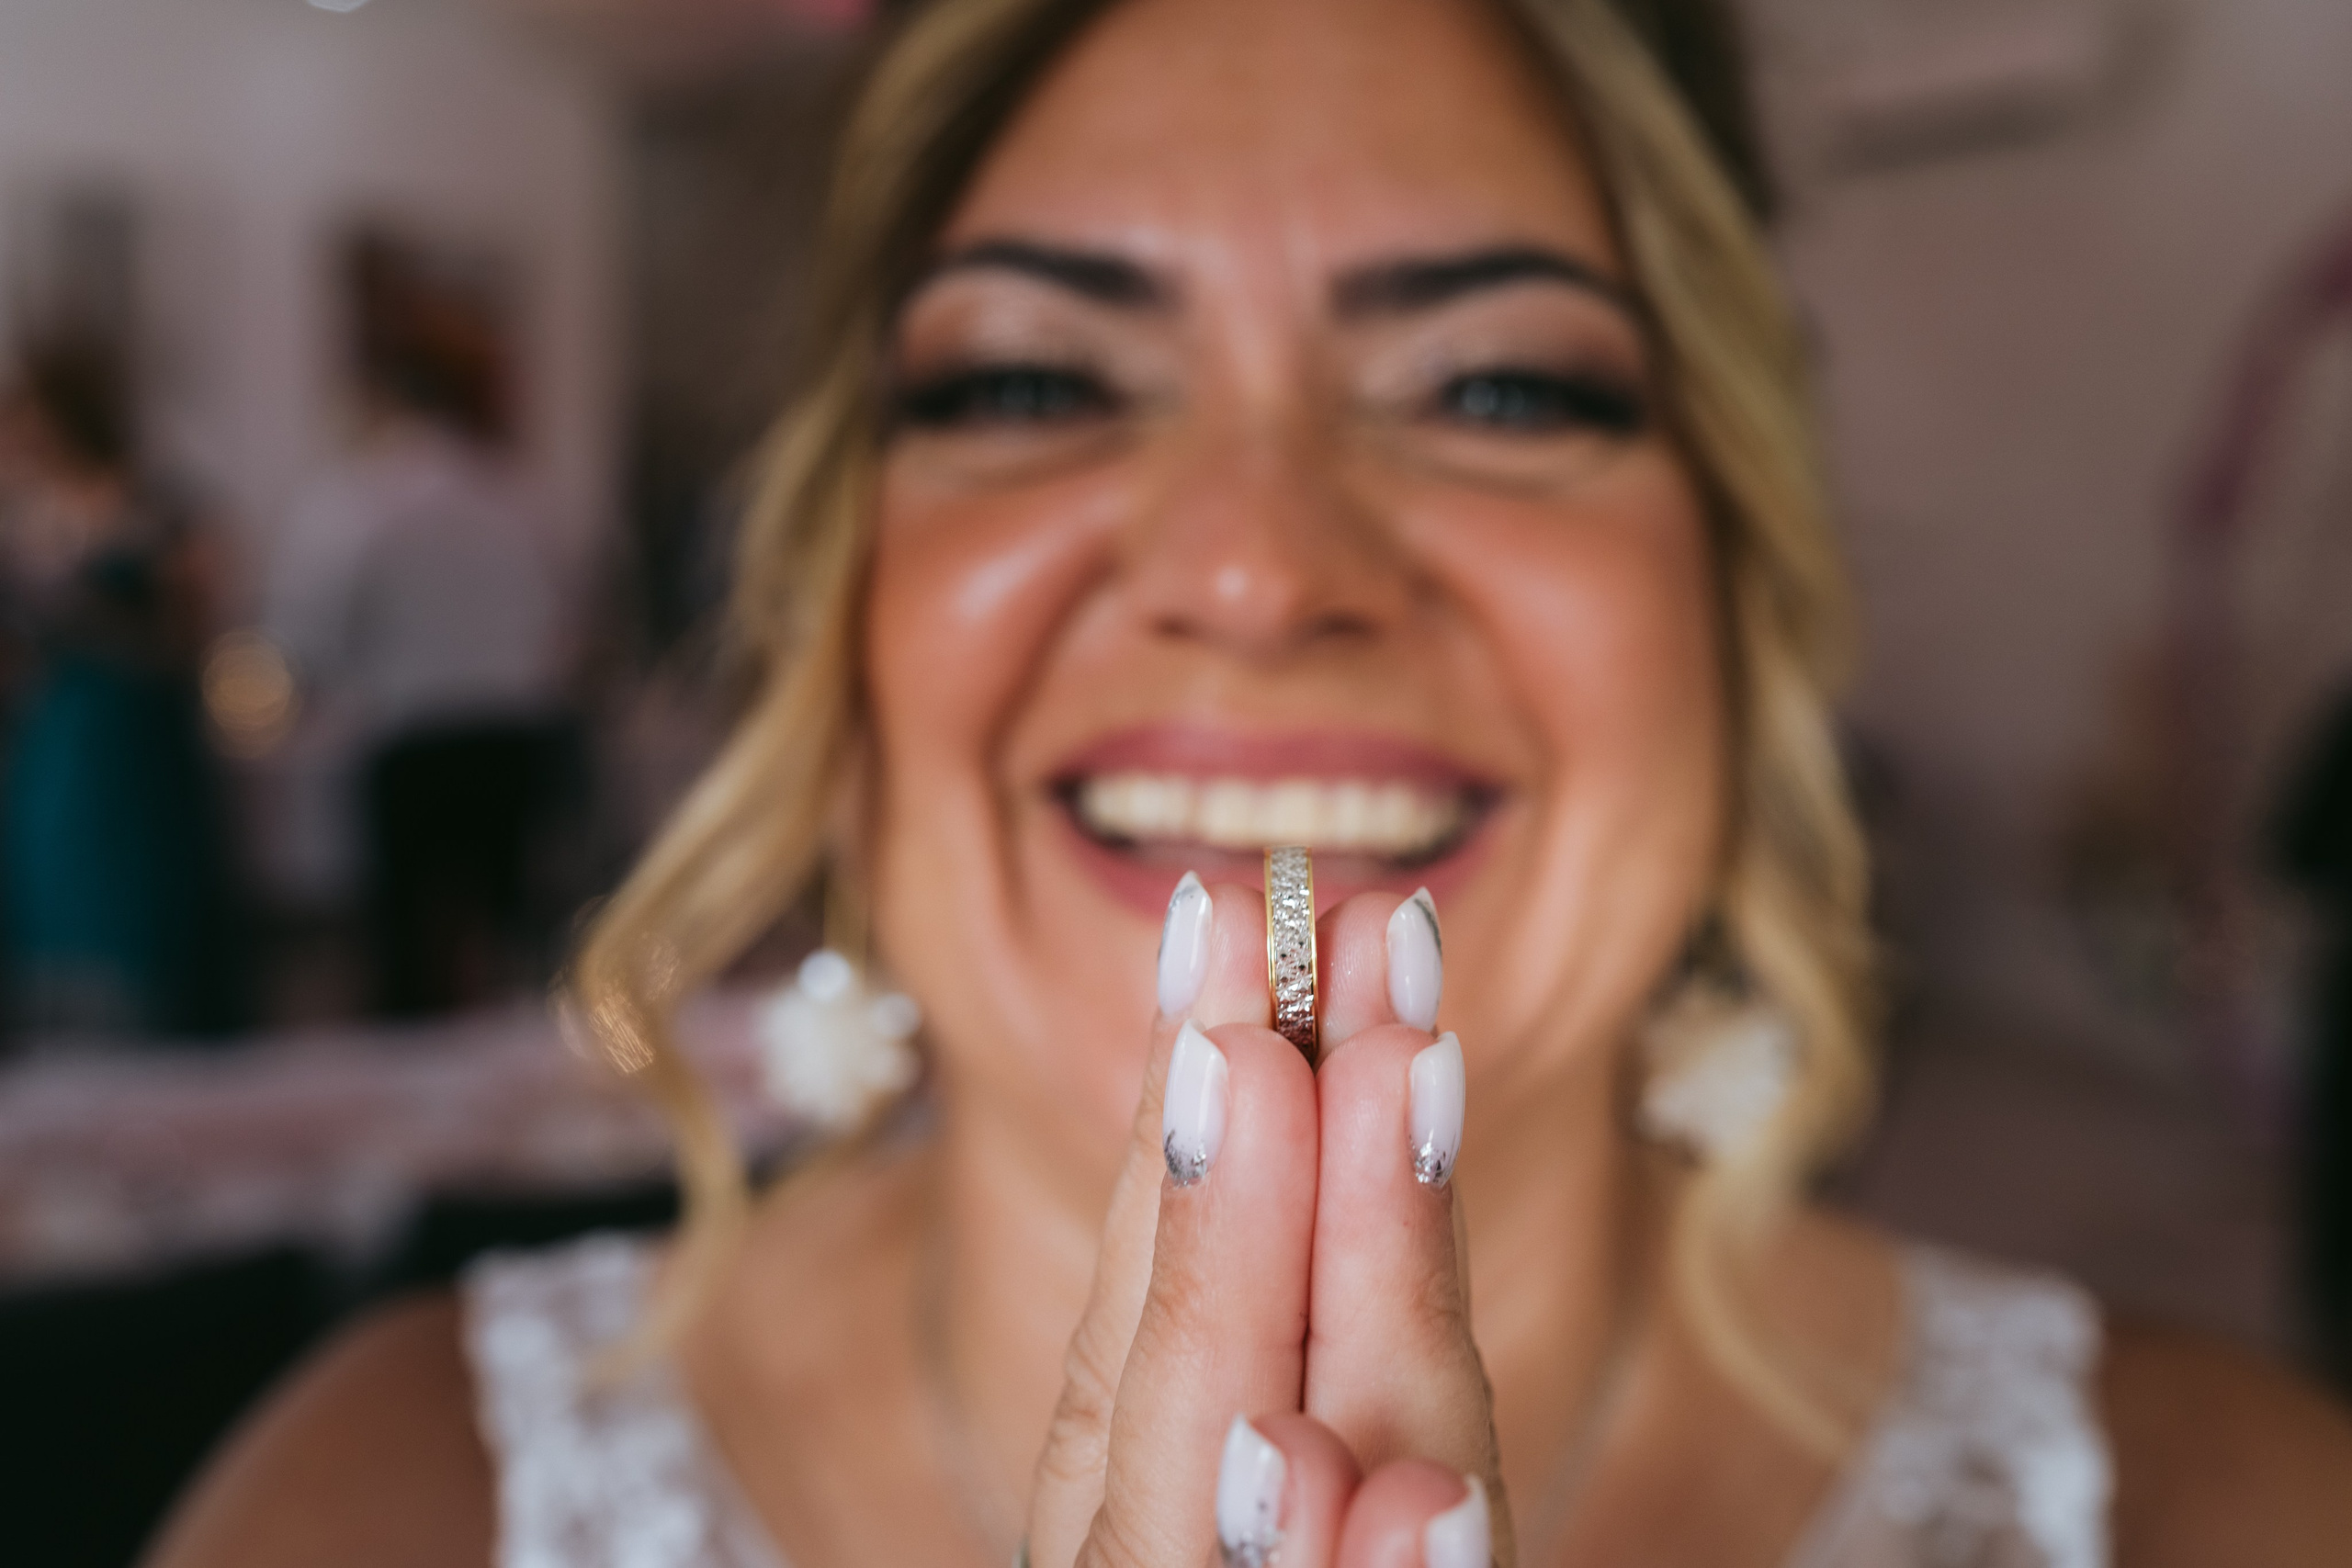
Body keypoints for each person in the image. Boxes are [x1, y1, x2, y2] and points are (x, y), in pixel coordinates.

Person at [149, 0, 2352, 1563]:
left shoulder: (2233, 1509)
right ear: (833, 601)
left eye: (1491, 381)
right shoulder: (387, 1506)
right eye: (1031, 373)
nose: (1255, 561)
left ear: (1738, 580)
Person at [265, 234, 583, 1016]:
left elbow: (310, 632)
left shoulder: (360, 498)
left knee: (406, 951)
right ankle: (514, 1089)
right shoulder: (523, 494)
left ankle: (417, 1106)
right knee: (512, 943)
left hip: (412, 741)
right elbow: (575, 619)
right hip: (516, 735)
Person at [0, 336, 245, 1037]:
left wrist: (100, 619)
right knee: (54, 903)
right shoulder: (22, 514)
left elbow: (198, 633)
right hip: (54, 737)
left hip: (138, 734)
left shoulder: (158, 508)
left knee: (140, 911)